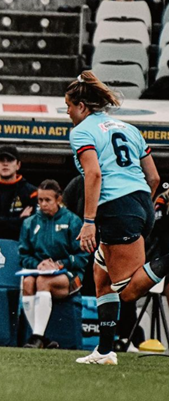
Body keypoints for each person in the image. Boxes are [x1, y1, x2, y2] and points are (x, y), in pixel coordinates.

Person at [65, 70, 169, 365]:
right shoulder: (129, 128)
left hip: (116, 207)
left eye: (69, 106)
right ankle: (106, 350)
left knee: (126, 290)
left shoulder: (82, 131)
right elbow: (154, 176)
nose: (68, 112)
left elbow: (94, 174)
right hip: (140, 203)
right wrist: (142, 209)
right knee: (102, 276)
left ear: (82, 106)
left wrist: (88, 222)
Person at [19, 179, 89, 349]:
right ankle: (42, 338)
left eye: (47, 200)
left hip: (71, 276)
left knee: (43, 282)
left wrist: (59, 264)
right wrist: (39, 264)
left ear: (58, 199)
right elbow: (23, 255)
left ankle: (37, 337)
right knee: (27, 282)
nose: (43, 204)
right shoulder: (30, 223)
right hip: (40, 273)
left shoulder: (73, 221)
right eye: (40, 200)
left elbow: (82, 256)